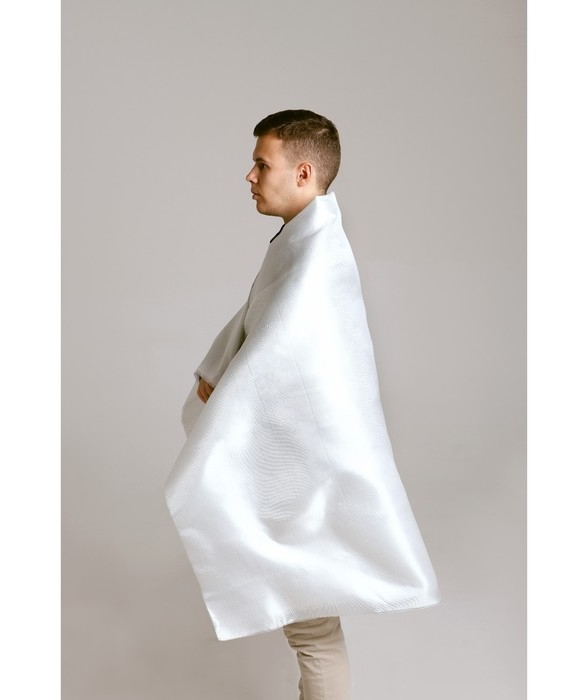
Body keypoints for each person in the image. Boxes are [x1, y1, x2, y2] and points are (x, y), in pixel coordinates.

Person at [165, 110, 440, 700]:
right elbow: (264, 330)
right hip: (294, 464)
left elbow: (287, 358)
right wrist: (223, 372)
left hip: (302, 471)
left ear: (304, 173)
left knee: (314, 632)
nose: (250, 176)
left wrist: (227, 385)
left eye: (262, 164)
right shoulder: (302, 243)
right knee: (312, 627)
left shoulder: (318, 256)